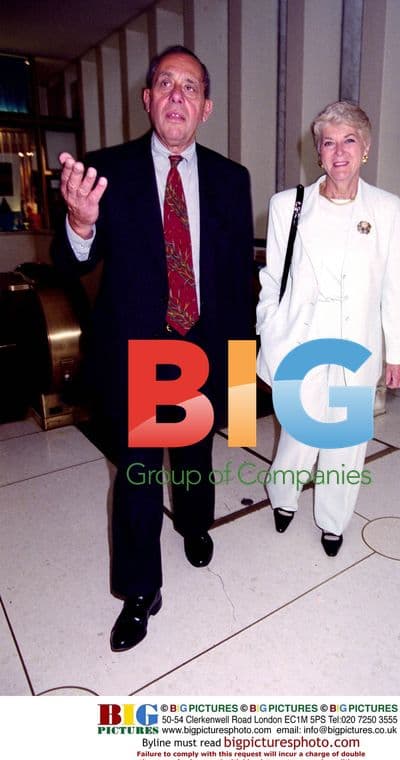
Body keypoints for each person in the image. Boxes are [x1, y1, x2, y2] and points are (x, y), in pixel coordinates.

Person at [51, 45, 254, 651]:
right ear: (148, 99)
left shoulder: (231, 178)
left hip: (204, 345)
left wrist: (241, 383)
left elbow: (237, 278)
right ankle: (140, 591)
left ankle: (194, 524)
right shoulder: (104, 170)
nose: (176, 96)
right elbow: (67, 264)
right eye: (165, 83)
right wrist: (80, 225)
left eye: (190, 87)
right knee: (139, 473)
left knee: (194, 451)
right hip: (138, 350)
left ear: (206, 108)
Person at [256, 100, 400, 557]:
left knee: (346, 441)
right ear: (317, 153)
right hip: (302, 341)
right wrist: (269, 325)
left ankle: (333, 520)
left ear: (365, 149)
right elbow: (272, 275)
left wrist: (396, 351)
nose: (338, 152)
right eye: (329, 143)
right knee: (300, 435)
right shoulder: (289, 205)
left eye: (349, 141)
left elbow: (394, 284)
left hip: (356, 345)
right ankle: (283, 498)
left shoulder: (385, 208)